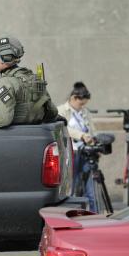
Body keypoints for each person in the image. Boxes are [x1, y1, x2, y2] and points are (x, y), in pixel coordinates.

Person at [0, 36, 58, 128]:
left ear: (5, 57)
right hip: (35, 132)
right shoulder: (34, 78)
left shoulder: (5, 82)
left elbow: (3, 119)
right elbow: (52, 113)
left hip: (7, 135)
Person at [57, 82, 97, 212]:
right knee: (71, 187)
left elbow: (92, 130)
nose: (82, 106)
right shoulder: (61, 111)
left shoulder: (85, 112)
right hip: (71, 154)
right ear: (73, 98)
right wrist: (81, 135)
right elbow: (64, 129)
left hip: (85, 152)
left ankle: (94, 213)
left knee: (91, 189)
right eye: (81, 104)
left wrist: (93, 140)